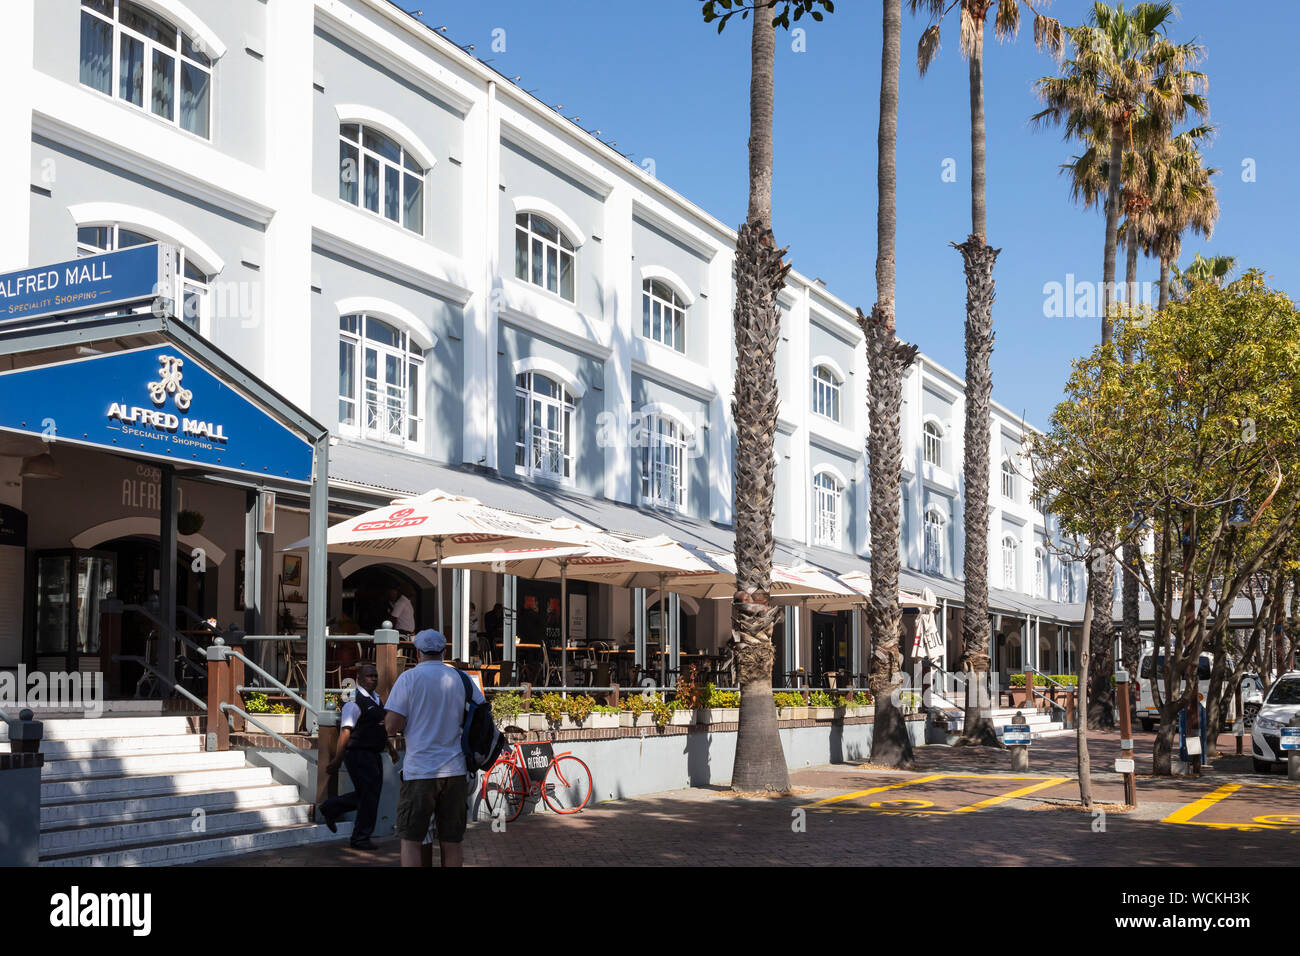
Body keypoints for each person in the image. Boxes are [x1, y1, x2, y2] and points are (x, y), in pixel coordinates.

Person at [384, 628, 485, 867]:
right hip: (456, 769)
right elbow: (482, 713)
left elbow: (391, 726)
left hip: (420, 770)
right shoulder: (461, 679)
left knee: (411, 839)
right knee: (452, 841)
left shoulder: (408, 678)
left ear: (417, 652)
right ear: (444, 651)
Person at [317, 663, 399, 850]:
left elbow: (379, 726)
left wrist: (390, 748)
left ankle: (331, 807)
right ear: (359, 679)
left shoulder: (377, 699)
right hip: (358, 754)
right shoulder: (354, 701)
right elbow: (346, 732)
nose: (374, 679)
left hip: (374, 754)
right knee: (368, 796)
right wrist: (337, 759)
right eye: (370, 676)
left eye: (375, 675)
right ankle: (360, 838)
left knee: (369, 795)